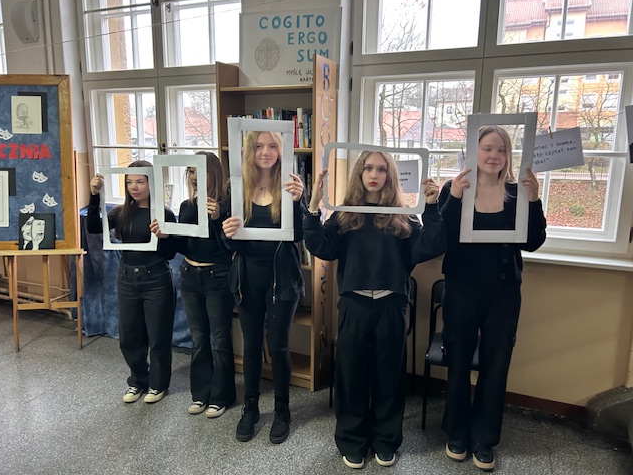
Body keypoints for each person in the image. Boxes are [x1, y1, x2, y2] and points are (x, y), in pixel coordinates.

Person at [303, 150, 447, 470]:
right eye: (368, 168)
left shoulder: (402, 215)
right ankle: (352, 440)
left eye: (381, 169)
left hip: (390, 304)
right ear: (360, 173)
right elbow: (321, 246)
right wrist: (313, 208)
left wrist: (432, 207)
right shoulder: (345, 215)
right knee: (351, 375)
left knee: (388, 377)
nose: (374, 174)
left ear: (389, 176)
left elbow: (431, 246)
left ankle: (385, 440)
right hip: (354, 304)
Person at [438, 126, 546, 471]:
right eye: (487, 148)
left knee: (496, 366)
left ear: (509, 155)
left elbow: (533, 242)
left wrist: (535, 200)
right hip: (461, 288)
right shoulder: (454, 188)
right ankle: (457, 433)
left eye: (501, 149)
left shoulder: (518, 192)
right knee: (457, 361)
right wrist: (454, 199)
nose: (494, 155)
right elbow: (440, 238)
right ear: (474, 151)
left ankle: (484, 439)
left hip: (503, 291)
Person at [221, 131, 305, 444]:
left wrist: (299, 202)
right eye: (258, 146)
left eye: (272, 146)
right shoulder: (237, 187)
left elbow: (300, 235)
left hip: (282, 278)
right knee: (251, 345)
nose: (265, 152)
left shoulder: (291, 186)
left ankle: (282, 409)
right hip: (247, 279)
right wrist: (226, 233)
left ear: (281, 151)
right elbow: (227, 243)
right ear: (250, 151)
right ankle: (251, 408)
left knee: (279, 346)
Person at [87, 160, 177, 404]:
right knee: (129, 336)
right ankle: (138, 380)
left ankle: (158, 384)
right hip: (127, 278)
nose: (134, 187)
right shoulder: (121, 212)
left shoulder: (164, 214)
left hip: (156, 277)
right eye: (129, 182)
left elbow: (170, 253)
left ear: (151, 183)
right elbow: (94, 227)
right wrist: (94, 196)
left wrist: (165, 236)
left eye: (140, 181)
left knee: (158, 336)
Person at [174, 152, 236, 417]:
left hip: (217, 276)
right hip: (189, 274)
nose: (195, 176)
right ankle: (200, 394)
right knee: (198, 338)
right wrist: (166, 234)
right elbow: (181, 246)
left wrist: (218, 218)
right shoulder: (186, 206)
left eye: (201, 170)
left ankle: (221, 396)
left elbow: (231, 247)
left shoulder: (227, 205)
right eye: (191, 170)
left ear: (214, 173)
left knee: (220, 338)